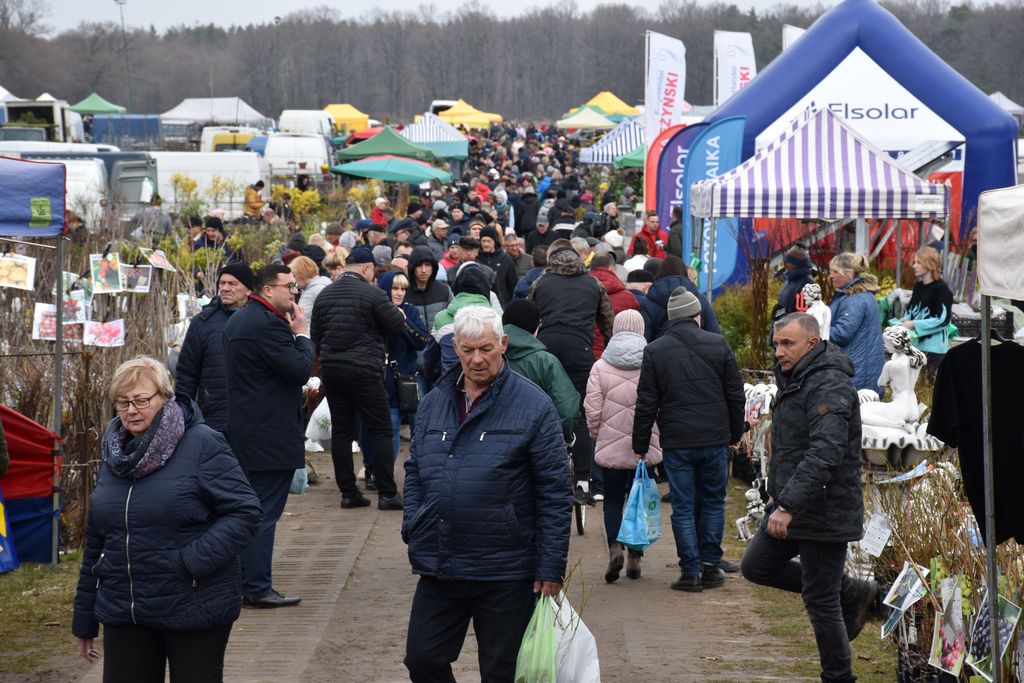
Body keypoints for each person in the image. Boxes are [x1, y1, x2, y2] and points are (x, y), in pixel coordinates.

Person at [403, 306, 572, 682]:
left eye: (486, 349)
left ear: (503, 345)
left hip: (506, 568)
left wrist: (550, 567)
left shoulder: (533, 406)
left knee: (501, 672)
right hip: (441, 562)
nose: (477, 359)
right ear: (455, 349)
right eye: (467, 350)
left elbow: (554, 491)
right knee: (423, 659)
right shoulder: (435, 402)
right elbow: (415, 468)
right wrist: (414, 521)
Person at [72, 357, 261, 681]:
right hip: (126, 607)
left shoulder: (202, 443)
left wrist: (190, 561)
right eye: (123, 402)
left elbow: (245, 512)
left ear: (165, 397)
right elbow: (98, 539)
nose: (131, 410)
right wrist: (84, 618)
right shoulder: (115, 452)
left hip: (192, 602)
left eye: (141, 400)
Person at [741, 313, 878, 683]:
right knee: (756, 566)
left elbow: (825, 451)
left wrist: (787, 505)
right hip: (794, 502)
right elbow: (793, 447)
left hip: (825, 509)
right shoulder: (796, 377)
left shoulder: (828, 384)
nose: (779, 351)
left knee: (820, 601)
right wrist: (778, 499)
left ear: (812, 344)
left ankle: (838, 677)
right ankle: (851, 591)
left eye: (787, 344)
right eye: (776, 343)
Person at [633, 288, 745, 591]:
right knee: (713, 502)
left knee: (682, 506)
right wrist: (735, 434)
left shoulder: (655, 350)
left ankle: (690, 572)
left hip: (677, 440)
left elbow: (646, 402)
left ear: (671, 318)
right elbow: (735, 395)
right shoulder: (718, 344)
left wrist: (640, 445)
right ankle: (711, 566)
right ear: (696, 315)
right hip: (714, 438)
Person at [223, 264, 314, 608]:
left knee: (249, 509)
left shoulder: (240, 320)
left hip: (246, 431)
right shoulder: (268, 325)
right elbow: (299, 370)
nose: (294, 292)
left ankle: (245, 582)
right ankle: (257, 587)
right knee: (263, 513)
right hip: (268, 436)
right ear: (266, 290)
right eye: (288, 286)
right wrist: (302, 335)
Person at [310, 247, 407, 510]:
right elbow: (397, 327)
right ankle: (387, 494)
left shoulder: (324, 295)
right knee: (381, 428)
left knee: (342, 432)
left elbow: (315, 335)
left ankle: (348, 493)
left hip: (333, 369)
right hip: (365, 370)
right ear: (366, 269)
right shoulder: (374, 294)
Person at [529, 239, 615, 504]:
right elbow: (608, 320)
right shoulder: (593, 284)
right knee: (581, 415)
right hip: (581, 351)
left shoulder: (541, 283)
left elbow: (529, 313)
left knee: (541, 408)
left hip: (547, 350)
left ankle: (539, 472)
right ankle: (582, 480)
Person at [586, 309, 662, 583]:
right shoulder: (653, 362)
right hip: (646, 446)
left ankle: (614, 548)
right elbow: (661, 402)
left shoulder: (600, 365)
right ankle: (635, 556)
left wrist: (597, 434)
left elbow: (593, 408)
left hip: (611, 446)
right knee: (640, 499)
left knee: (614, 500)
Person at [174, 262, 255, 436]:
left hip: (254, 419)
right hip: (215, 418)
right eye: (222, 283)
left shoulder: (261, 321)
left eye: (232, 283)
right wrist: (184, 414)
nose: (225, 288)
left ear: (249, 290)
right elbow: (187, 373)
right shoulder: (202, 323)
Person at [502, 299, 580, 442]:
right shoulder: (545, 362)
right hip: (535, 444)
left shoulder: (489, 355)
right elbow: (567, 411)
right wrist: (562, 439)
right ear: (536, 327)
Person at [377, 271, 431, 471]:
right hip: (380, 379)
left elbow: (421, 341)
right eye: (395, 288)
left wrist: (403, 321)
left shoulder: (410, 310)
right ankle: (379, 471)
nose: (399, 293)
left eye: (403, 289)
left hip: (406, 379)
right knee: (384, 428)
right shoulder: (376, 309)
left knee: (412, 426)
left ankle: (403, 473)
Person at [828, 252, 885, 395]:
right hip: (861, 368)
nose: (831, 276)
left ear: (848, 274)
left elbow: (842, 334)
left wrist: (817, 329)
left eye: (835, 272)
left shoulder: (854, 299)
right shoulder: (857, 295)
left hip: (856, 371)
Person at [901, 246, 953, 381]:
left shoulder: (941, 289)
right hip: (916, 345)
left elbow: (943, 320)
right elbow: (911, 310)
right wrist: (903, 321)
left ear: (930, 264)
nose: (914, 266)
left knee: (930, 389)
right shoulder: (918, 287)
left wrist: (913, 323)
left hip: (934, 350)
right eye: (914, 262)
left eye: (919, 262)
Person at [642, 256, 721, 339]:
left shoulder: (648, 303)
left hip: (660, 349)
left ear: (659, 273)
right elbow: (715, 334)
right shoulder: (700, 300)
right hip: (697, 349)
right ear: (684, 273)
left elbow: (644, 338)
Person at [589, 252, 639, 360]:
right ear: (612, 268)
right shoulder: (628, 297)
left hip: (585, 353)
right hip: (618, 356)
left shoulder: (580, 290)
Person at [407, 245, 453, 337]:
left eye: (427, 265)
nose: (424, 270)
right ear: (413, 268)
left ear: (433, 267)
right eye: (419, 265)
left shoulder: (444, 290)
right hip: (414, 348)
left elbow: (452, 320)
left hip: (439, 346)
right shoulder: (404, 292)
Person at [477, 226, 518, 307]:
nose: (486, 244)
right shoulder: (477, 258)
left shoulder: (505, 259)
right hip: (481, 303)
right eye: (483, 241)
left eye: (488, 241)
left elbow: (513, 285)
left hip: (502, 304)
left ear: (494, 241)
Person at [289, 255, 333, 321]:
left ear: (302, 273)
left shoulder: (317, 290)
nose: (293, 280)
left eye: (294, 275)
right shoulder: (311, 288)